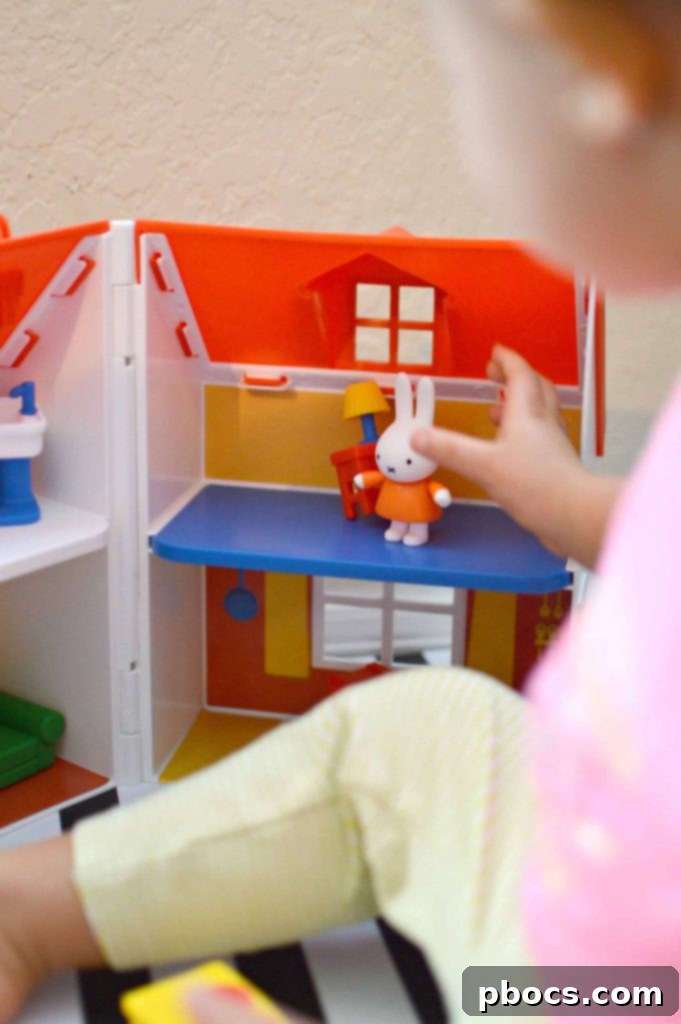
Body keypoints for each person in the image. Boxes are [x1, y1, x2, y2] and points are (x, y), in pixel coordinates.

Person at [2, 0, 681, 1020]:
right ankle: (30, 904)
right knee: (422, 724)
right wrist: (565, 498)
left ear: (605, 90)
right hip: (580, 877)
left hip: (614, 989)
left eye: (465, 79)